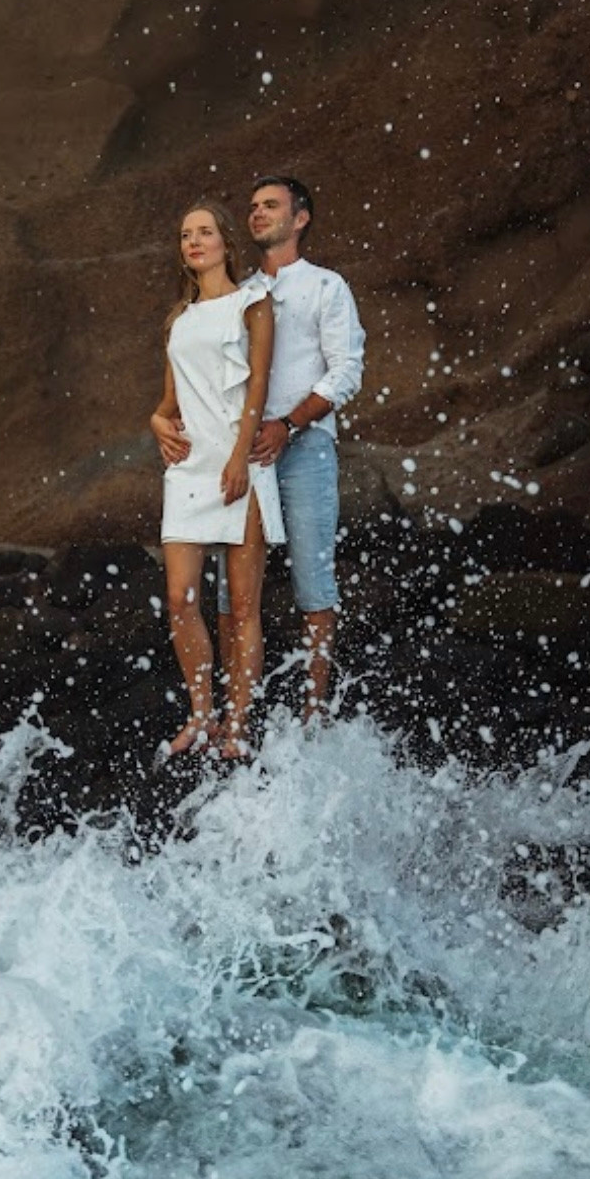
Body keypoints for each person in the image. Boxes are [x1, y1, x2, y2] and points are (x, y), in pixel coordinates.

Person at [219, 175, 365, 722]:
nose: (257, 213)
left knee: (312, 574)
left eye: (270, 206)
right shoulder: (240, 292)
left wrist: (289, 424)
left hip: (305, 447)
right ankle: (237, 711)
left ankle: (314, 707)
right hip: (244, 453)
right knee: (233, 589)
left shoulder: (327, 287)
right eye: (253, 206)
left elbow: (347, 370)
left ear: (300, 218)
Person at [150, 200, 284, 760]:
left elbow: (257, 391)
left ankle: (238, 724)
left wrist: (238, 459)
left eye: (204, 232)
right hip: (187, 470)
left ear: (226, 243)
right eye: (186, 236)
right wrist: (155, 421)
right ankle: (201, 714)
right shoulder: (178, 319)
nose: (194, 242)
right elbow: (167, 403)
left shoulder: (254, 304)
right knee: (181, 599)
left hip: (239, 463)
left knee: (244, 605)